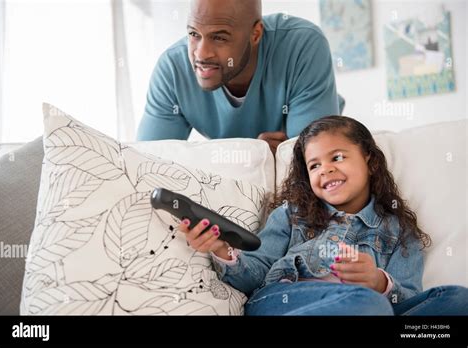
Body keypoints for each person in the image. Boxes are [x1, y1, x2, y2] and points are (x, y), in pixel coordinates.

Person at [178, 115, 468, 315]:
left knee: (457, 300)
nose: (325, 169)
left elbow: (406, 298)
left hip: (370, 308)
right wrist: (220, 248)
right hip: (285, 302)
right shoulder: (292, 215)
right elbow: (255, 274)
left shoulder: (399, 231)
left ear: (369, 160)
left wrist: (379, 282)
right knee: (367, 305)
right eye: (314, 165)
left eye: (338, 157)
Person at [137, 0, 344, 154]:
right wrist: (250, 154)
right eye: (193, 34)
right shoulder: (172, 70)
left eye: (219, 37)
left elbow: (312, 161)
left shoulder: (302, 46)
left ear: (255, 34)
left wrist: (283, 157)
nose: (201, 54)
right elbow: (147, 165)